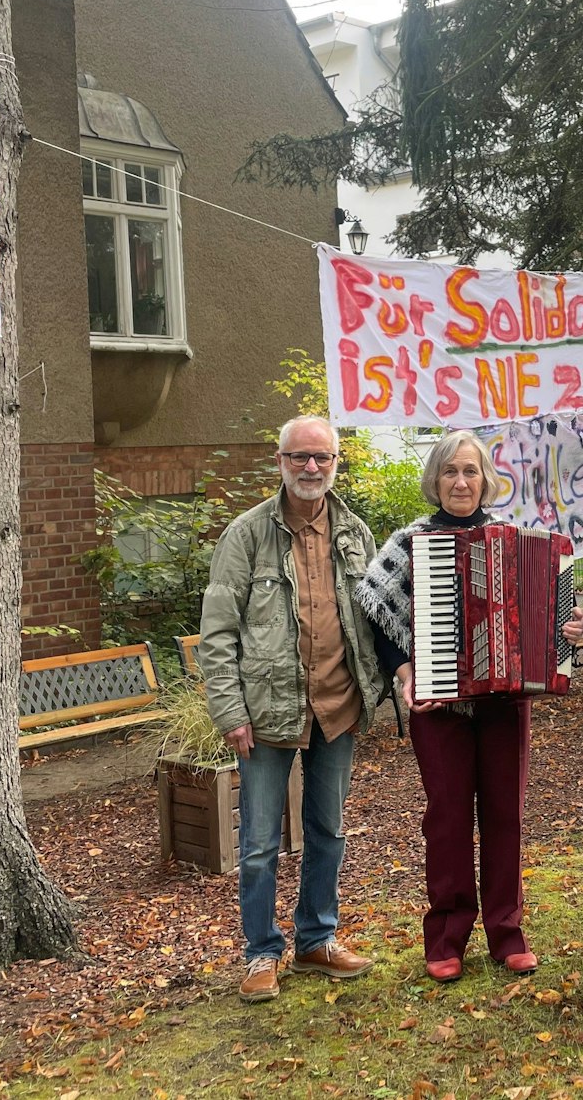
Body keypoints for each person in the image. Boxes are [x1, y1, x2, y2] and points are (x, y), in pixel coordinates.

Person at [200, 415, 388, 1003]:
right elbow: (218, 631)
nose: (311, 468)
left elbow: (380, 619)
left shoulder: (356, 533)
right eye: (299, 457)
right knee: (258, 843)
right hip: (266, 712)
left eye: (322, 458)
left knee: (327, 829)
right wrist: (230, 710)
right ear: (279, 461)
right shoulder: (247, 534)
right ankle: (261, 952)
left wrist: (384, 685)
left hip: (337, 705)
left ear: (337, 463)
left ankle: (316, 939)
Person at [356, 432, 538, 983]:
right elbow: (376, 603)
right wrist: (405, 669)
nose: (461, 482)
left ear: (486, 479)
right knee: (449, 818)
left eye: (471, 472)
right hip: (437, 705)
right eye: (450, 472)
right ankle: (446, 936)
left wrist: (557, 631)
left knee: (506, 815)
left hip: (505, 703)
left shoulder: (513, 539)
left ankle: (508, 934)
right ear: (435, 481)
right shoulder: (410, 541)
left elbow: (541, 606)